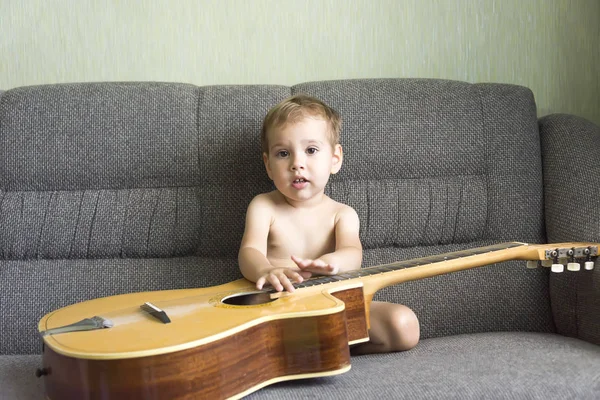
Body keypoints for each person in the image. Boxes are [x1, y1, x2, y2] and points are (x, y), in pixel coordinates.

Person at [238, 94, 420, 354]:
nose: (297, 164)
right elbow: (249, 252)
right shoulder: (263, 206)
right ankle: (310, 347)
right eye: (283, 153)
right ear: (268, 165)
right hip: (275, 308)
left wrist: (332, 263)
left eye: (311, 150)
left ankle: (322, 346)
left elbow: (352, 254)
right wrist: (265, 271)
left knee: (403, 324)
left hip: (329, 305)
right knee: (243, 325)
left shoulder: (342, 214)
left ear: (335, 159)